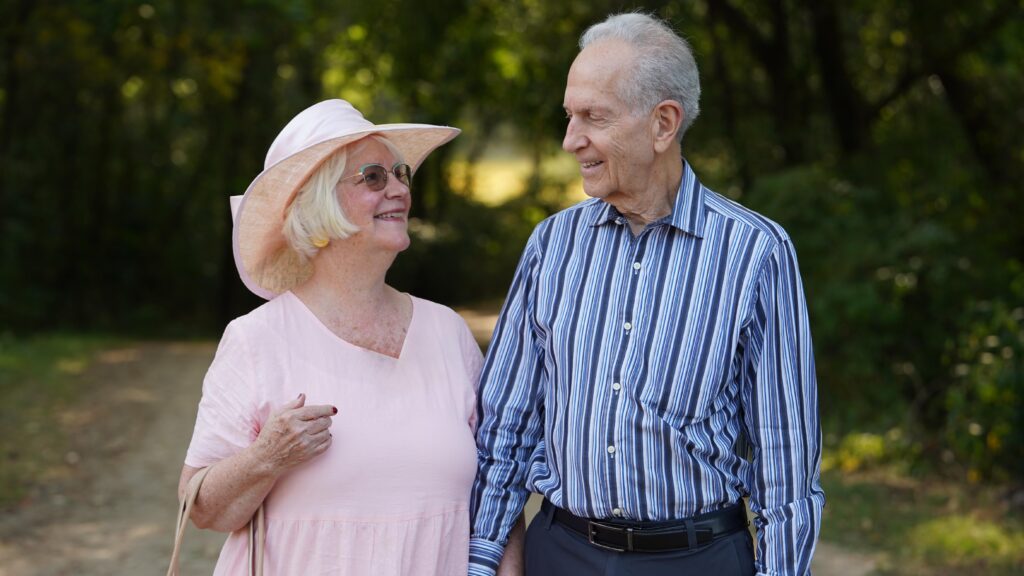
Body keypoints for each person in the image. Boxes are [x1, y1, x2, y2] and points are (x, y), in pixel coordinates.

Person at [469, 12, 825, 576]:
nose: (570, 140)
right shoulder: (551, 245)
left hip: (698, 559)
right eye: (569, 116)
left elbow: (785, 458)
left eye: (594, 117)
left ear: (663, 124)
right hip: (561, 553)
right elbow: (506, 426)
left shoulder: (756, 253)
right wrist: (484, 557)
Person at [177, 99, 521, 575]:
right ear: (318, 204)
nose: (399, 189)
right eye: (373, 177)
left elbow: (499, 484)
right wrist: (266, 458)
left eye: (400, 174)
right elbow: (200, 508)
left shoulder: (447, 332)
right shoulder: (256, 339)